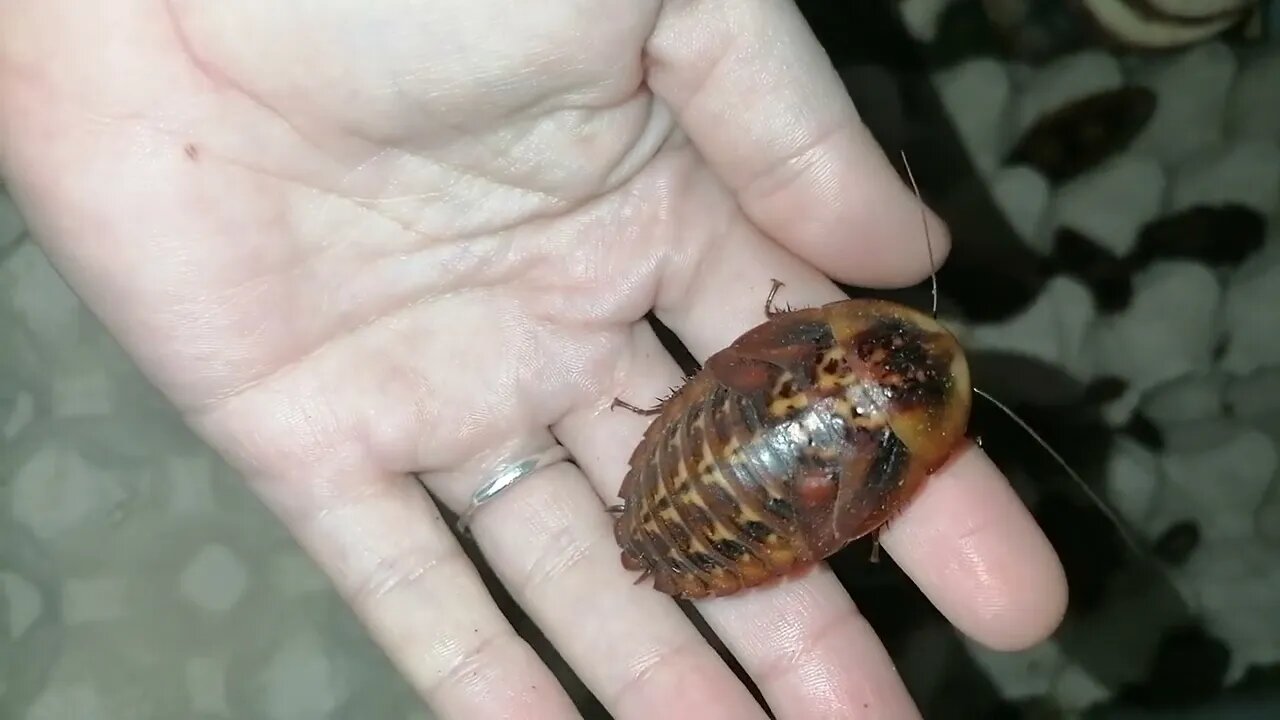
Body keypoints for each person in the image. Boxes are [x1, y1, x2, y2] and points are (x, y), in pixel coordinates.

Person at [0, 2, 1067, 718]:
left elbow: (749, 361)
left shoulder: (815, 354)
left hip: (696, 474)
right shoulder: (879, 449)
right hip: (703, 490)